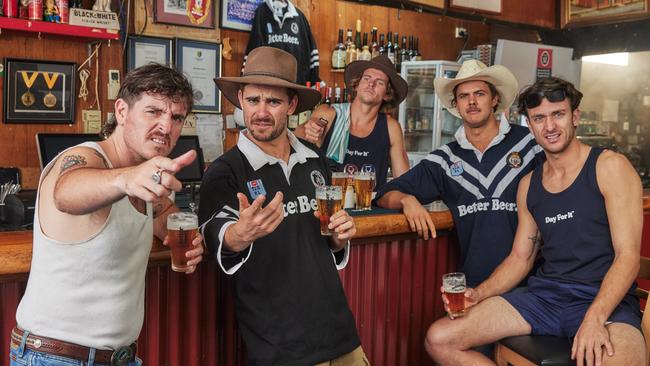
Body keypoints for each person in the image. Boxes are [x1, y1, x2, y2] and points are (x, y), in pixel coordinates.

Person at [425, 77, 646, 366]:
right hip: (545, 299)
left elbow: (628, 257)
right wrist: (476, 294)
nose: (550, 127)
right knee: (440, 338)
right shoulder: (529, 184)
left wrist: (594, 318)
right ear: (529, 125)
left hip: (604, 302)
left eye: (558, 114)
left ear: (575, 116)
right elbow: (520, 258)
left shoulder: (610, 167)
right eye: (539, 118)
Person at [10, 64, 205, 366]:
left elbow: (165, 214)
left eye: (176, 117)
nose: (166, 127)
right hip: (54, 357)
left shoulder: (147, 177)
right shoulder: (86, 159)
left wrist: (191, 239)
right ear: (123, 111)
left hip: (117, 357)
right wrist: (123, 180)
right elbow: (65, 192)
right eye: (153, 112)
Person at [199, 47, 368, 366]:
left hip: (339, 331)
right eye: (253, 100)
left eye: (273, 101)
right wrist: (241, 233)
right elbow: (218, 240)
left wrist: (339, 236)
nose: (261, 112)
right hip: (281, 346)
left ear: (291, 104)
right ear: (240, 100)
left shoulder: (315, 160)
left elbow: (327, 242)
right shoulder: (225, 172)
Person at [375, 59, 542, 287]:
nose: (472, 101)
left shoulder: (530, 144)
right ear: (456, 104)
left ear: (495, 99)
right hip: (473, 284)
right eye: (463, 96)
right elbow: (384, 193)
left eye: (480, 94)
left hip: (533, 285)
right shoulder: (445, 159)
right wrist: (406, 199)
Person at [295, 54, 410, 191]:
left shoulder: (391, 127)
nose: (371, 84)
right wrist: (310, 128)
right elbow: (300, 133)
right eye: (367, 78)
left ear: (387, 94)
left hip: (370, 208)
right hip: (329, 206)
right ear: (356, 84)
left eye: (379, 82)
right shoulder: (329, 113)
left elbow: (403, 182)